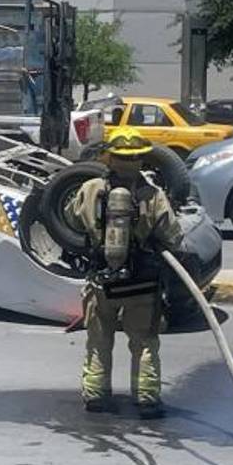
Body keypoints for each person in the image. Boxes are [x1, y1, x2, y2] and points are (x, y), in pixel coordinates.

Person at [65, 128, 184, 419]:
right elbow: (173, 237)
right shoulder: (152, 195)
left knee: (99, 341)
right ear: (141, 159)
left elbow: (70, 220)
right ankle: (147, 399)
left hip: (102, 282)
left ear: (110, 158)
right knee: (144, 343)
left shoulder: (90, 189)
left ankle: (96, 395)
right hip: (141, 285)